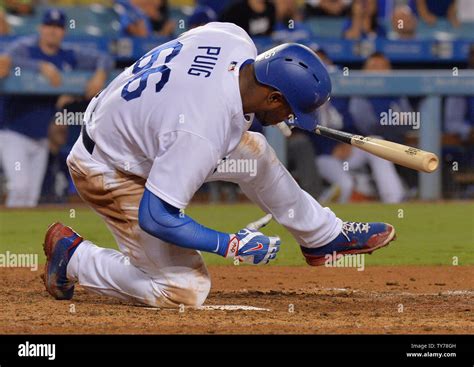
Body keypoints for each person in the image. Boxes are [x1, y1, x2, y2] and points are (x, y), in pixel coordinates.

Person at [42, 23, 396, 307]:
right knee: (183, 289)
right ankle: (74, 257)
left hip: (138, 133)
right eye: (289, 108)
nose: (290, 117)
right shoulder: (200, 129)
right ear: (272, 96)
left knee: (254, 153)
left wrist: (265, 112)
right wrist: (230, 245)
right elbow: (157, 216)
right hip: (109, 167)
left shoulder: (232, 37)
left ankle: (322, 237)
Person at [0, 8, 113, 207]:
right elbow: (5, 60)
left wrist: (100, 74)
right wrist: (40, 66)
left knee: (31, 196)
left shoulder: (66, 55)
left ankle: (19, 236)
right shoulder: (24, 48)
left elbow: (105, 58)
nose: (53, 31)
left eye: (58, 27)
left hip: (42, 137)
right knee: (20, 187)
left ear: (64, 32)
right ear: (40, 28)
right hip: (13, 132)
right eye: (49, 26)